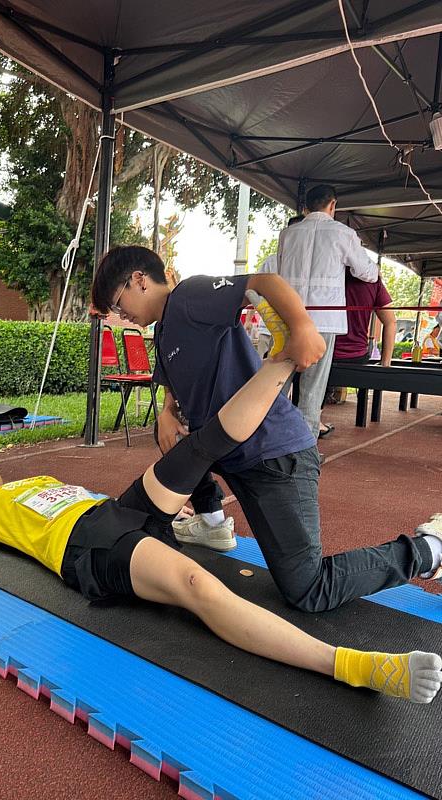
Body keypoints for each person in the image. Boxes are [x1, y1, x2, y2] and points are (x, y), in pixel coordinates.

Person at [0, 360, 441, 705]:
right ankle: (356, 667)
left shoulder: (36, 477)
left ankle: (283, 360)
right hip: (90, 550)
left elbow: (113, 496)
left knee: (197, 448)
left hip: (119, 511)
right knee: (199, 588)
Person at [90, 244, 442, 613]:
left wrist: (302, 327)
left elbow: (264, 281)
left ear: (139, 280)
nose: (121, 315)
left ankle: (428, 549)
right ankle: (211, 520)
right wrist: (165, 411)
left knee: (307, 589)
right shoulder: (163, 333)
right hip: (229, 453)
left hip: (274, 456)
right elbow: (172, 380)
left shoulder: (189, 296)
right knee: (183, 447)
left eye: (117, 303)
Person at [276, 185, 379, 438]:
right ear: (332, 204)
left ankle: (269, 440)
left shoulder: (288, 234)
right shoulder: (343, 234)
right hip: (324, 321)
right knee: (313, 389)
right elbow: (367, 272)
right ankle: (304, 451)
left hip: (290, 317)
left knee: (278, 383)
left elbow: (279, 273)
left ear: (306, 206)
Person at [321, 268, 396, 422]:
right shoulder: (373, 280)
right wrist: (385, 363)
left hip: (321, 354)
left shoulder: (325, 274)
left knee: (315, 371)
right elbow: (391, 322)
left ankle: (315, 416)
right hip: (356, 357)